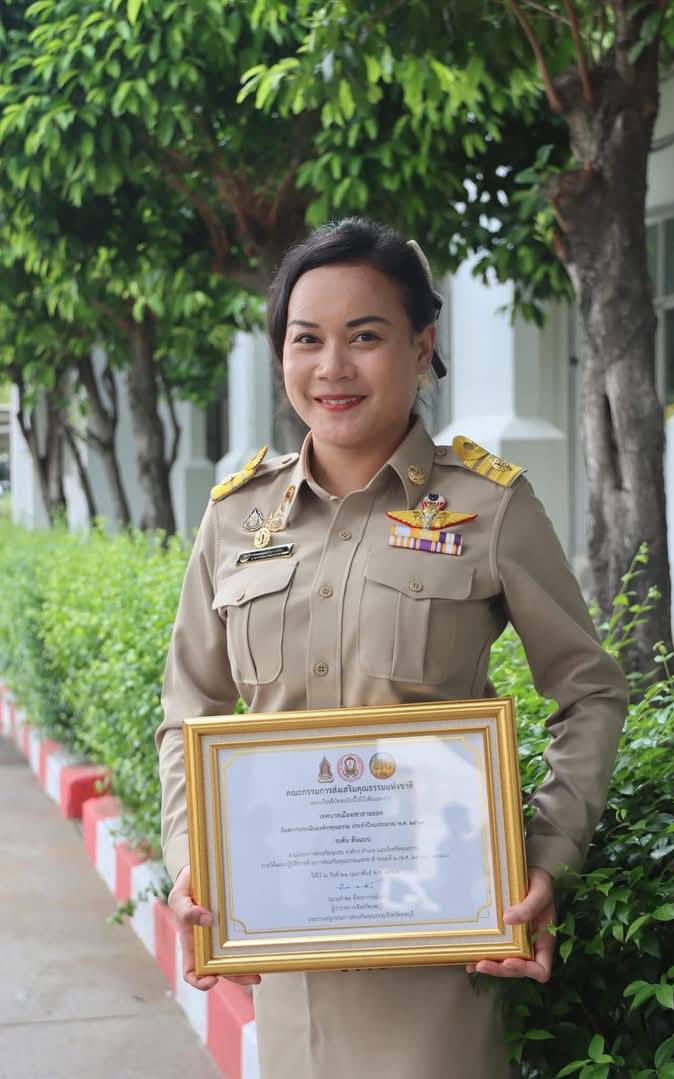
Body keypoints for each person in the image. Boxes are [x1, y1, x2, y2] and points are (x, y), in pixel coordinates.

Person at [156, 217, 628, 1079]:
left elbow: (589, 690)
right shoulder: (235, 518)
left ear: (421, 346)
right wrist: (195, 864)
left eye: (365, 336)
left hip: (440, 960)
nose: (332, 367)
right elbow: (189, 705)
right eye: (307, 339)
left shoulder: (489, 509)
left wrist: (544, 857)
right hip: (287, 958)